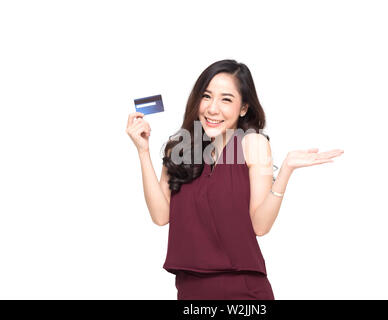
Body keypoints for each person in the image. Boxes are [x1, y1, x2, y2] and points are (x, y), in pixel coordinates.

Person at [126, 59, 344, 300]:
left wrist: (285, 172)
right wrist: (143, 151)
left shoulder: (253, 145)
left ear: (243, 108)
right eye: (206, 96)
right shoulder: (179, 149)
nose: (212, 108)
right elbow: (160, 216)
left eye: (226, 99)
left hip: (243, 293)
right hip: (190, 293)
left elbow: (260, 226)